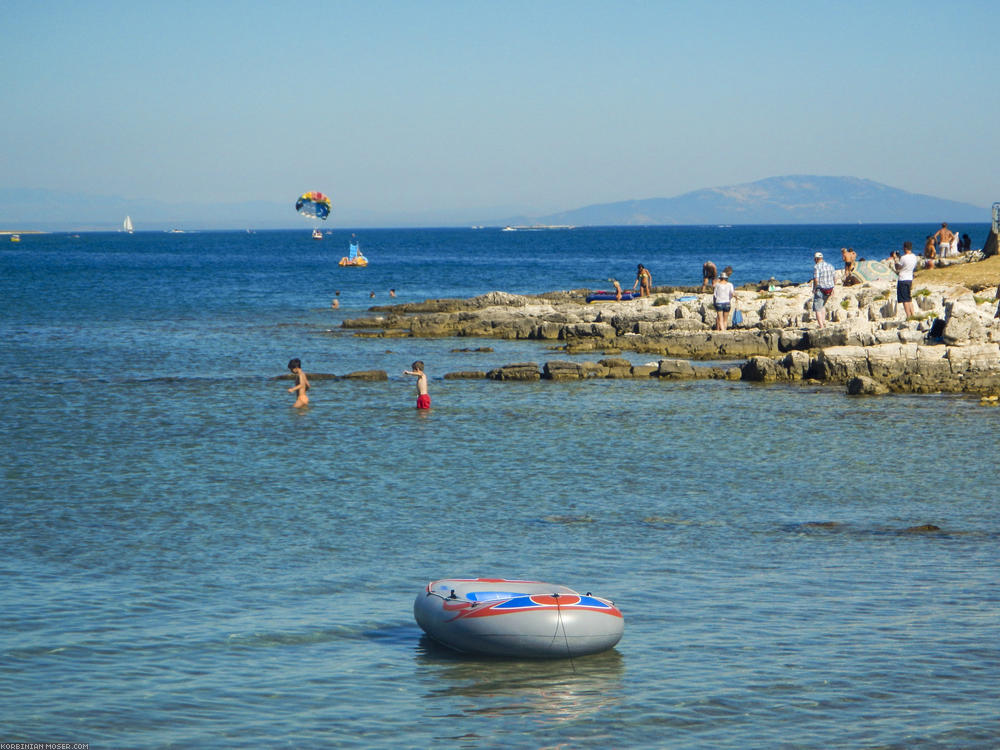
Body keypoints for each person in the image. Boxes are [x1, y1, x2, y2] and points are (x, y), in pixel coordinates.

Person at [892, 241, 918, 319]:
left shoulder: (903, 258)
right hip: (910, 278)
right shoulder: (914, 256)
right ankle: (913, 314)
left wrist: (895, 259)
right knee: (909, 298)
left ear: (905, 248)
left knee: (904, 299)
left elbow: (897, 267)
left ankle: (908, 316)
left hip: (902, 279)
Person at [811, 252, 836, 328]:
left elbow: (816, 279)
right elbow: (835, 278)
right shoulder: (830, 266)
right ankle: (824, 322)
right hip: (829, 289)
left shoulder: (817, 267)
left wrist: (814, 288)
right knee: (823, 305)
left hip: (821, 289)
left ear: (816, 259)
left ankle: (821, 326)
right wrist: (833, 288)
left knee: (818, 308)